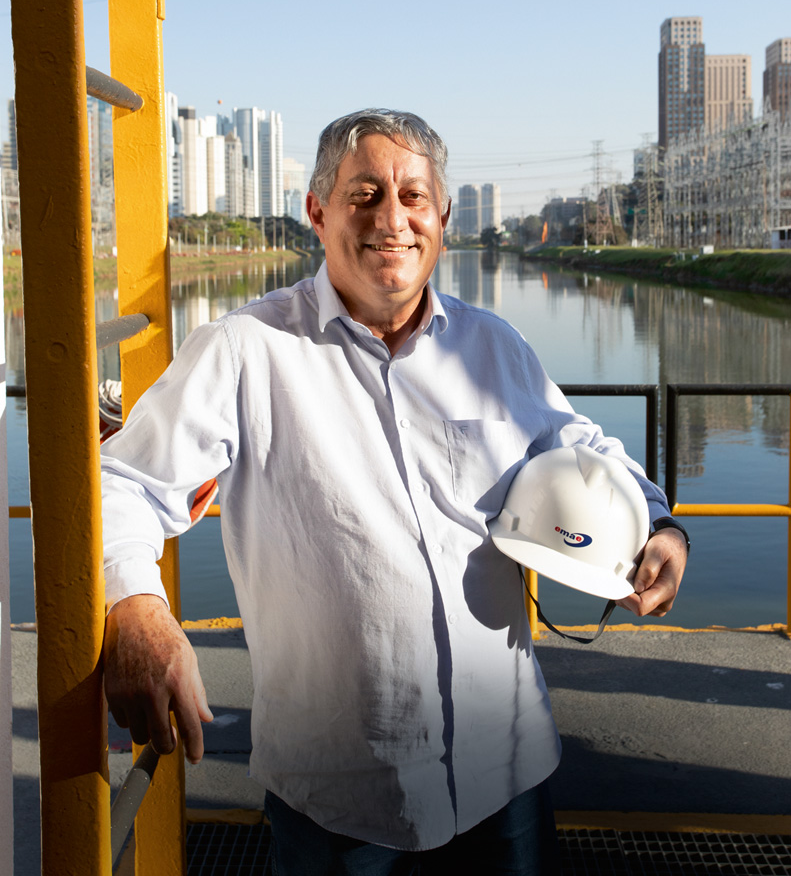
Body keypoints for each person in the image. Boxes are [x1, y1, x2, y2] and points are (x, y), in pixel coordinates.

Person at [102, 108, 688, 875]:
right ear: (317, 212)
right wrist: (137, 612)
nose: (392, 218)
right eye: (364, 194)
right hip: (342, 798)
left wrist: (657, 524)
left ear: (442, 217)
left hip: (504, 771)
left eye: (413, 197)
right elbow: (126, 487)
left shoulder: (492, 347)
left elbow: (580, 449)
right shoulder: (246, 351)